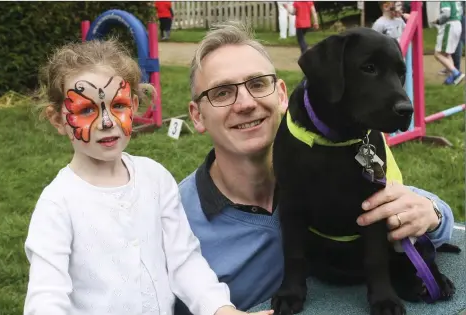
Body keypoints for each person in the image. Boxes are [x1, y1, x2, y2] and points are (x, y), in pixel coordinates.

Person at [174, 21, 455, 313]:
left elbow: (405, 206)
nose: (245, 103)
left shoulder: (346, 147)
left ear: (281, 95)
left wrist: (434, 213)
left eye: (257, 84)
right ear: (196, 116)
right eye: (222, 92)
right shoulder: (176, 220)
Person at [23, 38, 274, 315]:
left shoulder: (155, 178)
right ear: (57, 119)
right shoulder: (58, 204)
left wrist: (220, 309)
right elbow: (46, 297)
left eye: (118, 106)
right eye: (86, 110)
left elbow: (184, 261)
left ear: (134, 104)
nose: (107, 122)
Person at [432, 1, 464, 85]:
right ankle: (452, 77)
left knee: (438, 54)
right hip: (457, 23)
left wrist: (438, 21)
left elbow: (446, 14)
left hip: (449, 25)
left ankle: (456, 73)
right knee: (447, 54)